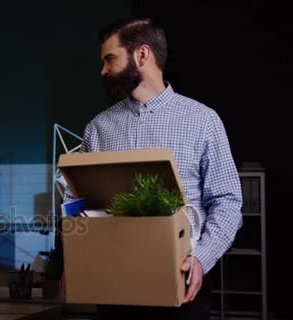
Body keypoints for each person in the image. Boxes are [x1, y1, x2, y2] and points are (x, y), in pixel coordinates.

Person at [64, 17, 243, 319]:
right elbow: (77, 202)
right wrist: (74, 256)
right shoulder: (98, 128)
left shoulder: (202, 120)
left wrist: (201, 258)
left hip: (181, 284)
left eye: (110, 59)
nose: (103, 71)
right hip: (113, 287)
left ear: (142, 55)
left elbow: (227, 202)